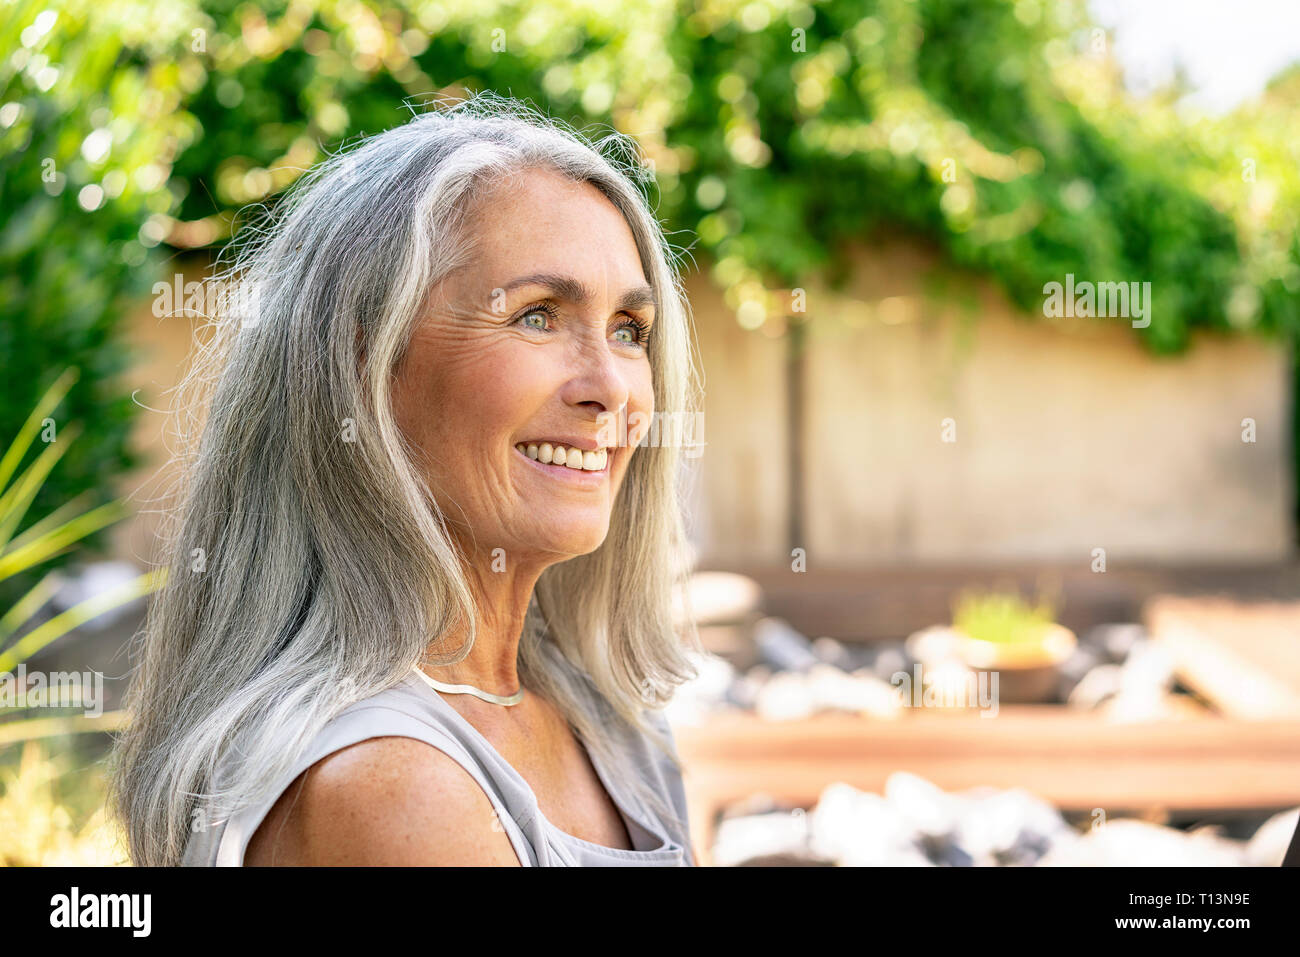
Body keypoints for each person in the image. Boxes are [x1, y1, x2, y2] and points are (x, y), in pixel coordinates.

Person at [109, 92, 706, 866]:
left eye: (629, 330)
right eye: (537, 315)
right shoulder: (391, 784)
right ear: (363, 369)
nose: (611, 387)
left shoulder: (608, 715)